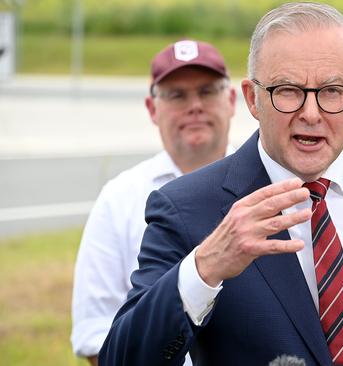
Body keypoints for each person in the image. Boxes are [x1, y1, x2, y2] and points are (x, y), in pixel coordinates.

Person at [99, 3, 343, 365]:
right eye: (287, 91)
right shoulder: (187, 209)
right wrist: (204, 268)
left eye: (332, 91)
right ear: (253, 99)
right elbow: (124, 359)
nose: (311, 113)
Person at [71, 39, 237, 366]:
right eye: (177, 94)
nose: (195, 106)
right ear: (151, 109)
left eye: (207, 91)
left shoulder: (266, 186)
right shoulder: (119, 199)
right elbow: (96, 335)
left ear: (231, 100)